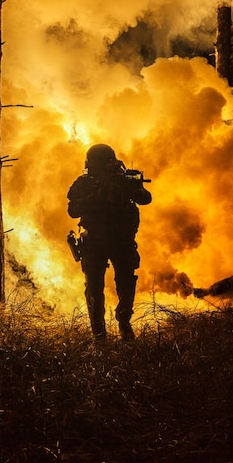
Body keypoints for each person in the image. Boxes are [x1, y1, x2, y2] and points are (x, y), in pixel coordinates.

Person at [67, 143, 152, 341]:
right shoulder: (85, 183)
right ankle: (99, 332)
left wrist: (131, 190)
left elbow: (145, 198)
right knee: (94, 286)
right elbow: (73, 210)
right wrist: (97, 196)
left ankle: (124, 323)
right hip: (94, 241)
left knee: (125, 282)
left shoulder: (123, 180)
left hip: (121, 239)